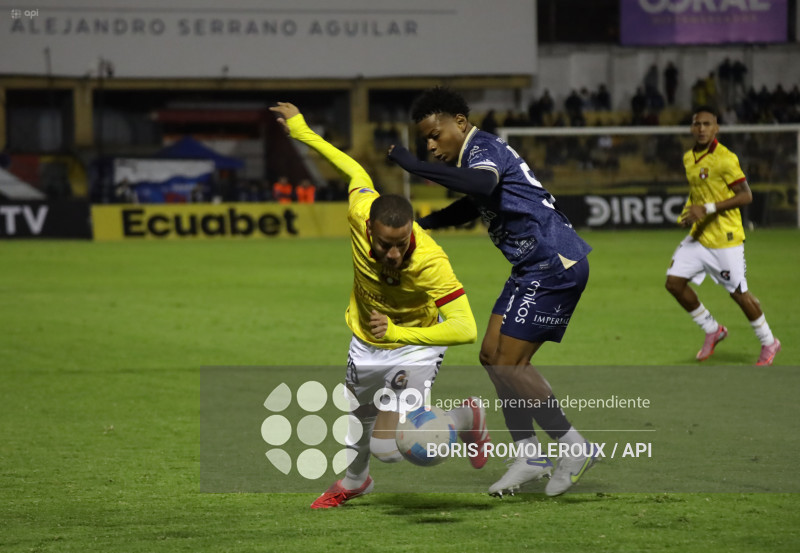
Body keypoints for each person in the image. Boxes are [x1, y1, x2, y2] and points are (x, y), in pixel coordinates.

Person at [268, 101, 489, 509]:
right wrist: (302, 132)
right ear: (369, 228)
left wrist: (398, 332)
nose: (392, 254)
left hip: (415, 344)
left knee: (395, 448)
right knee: (359, 416)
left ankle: (465, 416)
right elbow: (355, 171)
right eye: (385, 244)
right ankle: (356, 481)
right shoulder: (359, 212)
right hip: (365, 342)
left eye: (400, 244)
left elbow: (465, 328)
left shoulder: (430, 261)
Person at [387, 86, 597, 497]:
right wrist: (424, 226)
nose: (431, 146)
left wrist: (414, 167)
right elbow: (473, 203)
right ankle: (529, 455)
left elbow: (481, 186)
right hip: (529, 266)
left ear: (460, 124)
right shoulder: (475, 157)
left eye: (434, 134)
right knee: (491, 356)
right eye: (425, 141)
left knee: (510, 364)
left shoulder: (483, 149)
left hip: (554, 262)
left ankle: (573, 447)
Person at [665, 105, 781, 366]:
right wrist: (689, 212)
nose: (702, 128)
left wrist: (706, 209)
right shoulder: (688, 158)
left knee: (739, 294)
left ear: (716, 128)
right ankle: (712, 329)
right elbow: (697, 194)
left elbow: (746, 195)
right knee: (674, 283)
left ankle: (769, 341)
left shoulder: (726, 159)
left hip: (725, 240)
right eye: (697, 124)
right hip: (699, 237)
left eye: (707, 124)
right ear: (692, 128)